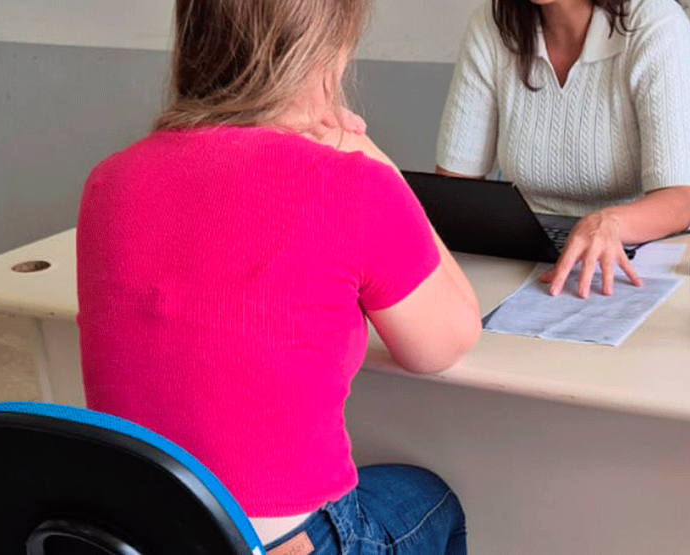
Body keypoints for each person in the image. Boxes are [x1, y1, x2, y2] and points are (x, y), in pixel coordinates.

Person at [76, 0, 480, 553]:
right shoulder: (353, 184)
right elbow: (446, 340)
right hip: (291, 544)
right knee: (432, 499)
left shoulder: (108, 184)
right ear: (327, 55)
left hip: (145, 535)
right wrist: (374, 158)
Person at [436, 0, 690, 297]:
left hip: (654, 252)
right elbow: (455, 189)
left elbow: (680, 200)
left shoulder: (655, 20)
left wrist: (608, 222)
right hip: (530, 252)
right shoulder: (492, 24)